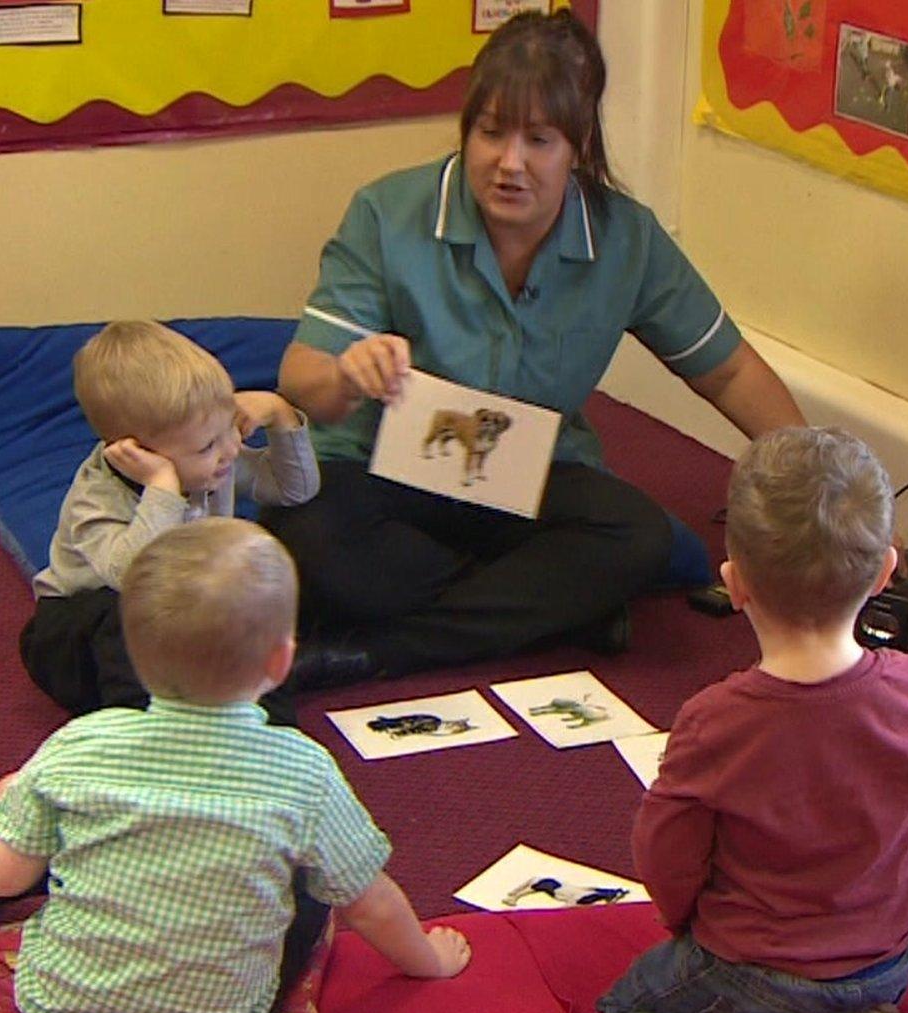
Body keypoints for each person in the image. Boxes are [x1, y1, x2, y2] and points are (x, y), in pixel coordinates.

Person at [269, 11, 806, 688]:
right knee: (304, 534)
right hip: (384, 467)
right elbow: (302, 380)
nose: (509, 162)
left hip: (524, 468)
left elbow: (727, 371)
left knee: (639, 538)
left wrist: (823, 488)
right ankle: (553, 612)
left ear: (578, 147)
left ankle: (375, 649)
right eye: (490, 133)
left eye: (539, 139)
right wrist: (348, 374)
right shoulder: (386, 212)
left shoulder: (626, 239)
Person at [0, 519, 470, 1013]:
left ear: (134, 657)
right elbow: (371, 903)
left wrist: (14, 818)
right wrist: (428, 962)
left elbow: (1, 876)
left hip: (59, 1004)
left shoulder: (79, 744)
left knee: (46, 835)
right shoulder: (305, 772)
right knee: (317, 885)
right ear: (282, 660)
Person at [599, 427, 908, 1013]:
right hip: (888, 963)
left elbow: (667, 854)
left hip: (752, 970)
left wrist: (684, 923)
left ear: (735, 584)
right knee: (837, 1002)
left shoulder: (716, 722)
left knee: (627, 1010)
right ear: (884, 572)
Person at [18, 319, 319, 726]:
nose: (231, 450)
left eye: (230, 428)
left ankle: (271, 730)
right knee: (124, 613)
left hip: (181, 617)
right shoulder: (96, 496)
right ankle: (145, 734)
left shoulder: (210, 465)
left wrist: (281, 416)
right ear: (139, 452)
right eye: (208, 445)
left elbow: (294, 490)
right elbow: (132, 575)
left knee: (247, 595)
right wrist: (163, 487)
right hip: (80, 631)